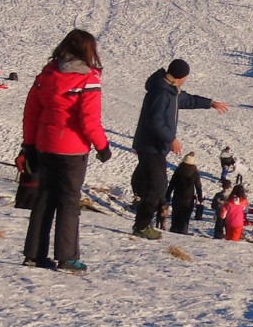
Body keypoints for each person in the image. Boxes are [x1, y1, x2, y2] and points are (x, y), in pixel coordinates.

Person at [19, 30, 112, 272]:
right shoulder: (88, 79)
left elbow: (31, 112)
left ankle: (34, 254)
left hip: (45, 145)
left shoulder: (47, 74)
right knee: (69, 202)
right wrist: (102, 146)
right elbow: (89, 120)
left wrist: (28, 144)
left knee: (44, 199)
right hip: (72, 150)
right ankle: (68, 257)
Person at [130, 59, 228, 239]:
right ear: (181, 76)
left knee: (155, 185)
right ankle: (142, 225)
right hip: (151, 146)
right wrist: (172, 139)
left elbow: (188, 100)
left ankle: (141, 222)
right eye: (186, 77)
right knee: (158, 186)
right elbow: (155, 121)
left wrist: (210, 103)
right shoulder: (161, 92)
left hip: (155, 147)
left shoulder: (170, 91)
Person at [166, 152, 203, 235]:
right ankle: (183, 230)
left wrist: (167, 195)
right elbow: (198, 186)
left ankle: (174, 229)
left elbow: (172, 184)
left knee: (176, 214)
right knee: (186, 215)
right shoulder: (195, 172)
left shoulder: (178, 170)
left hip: (177, 196)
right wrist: (200, 197)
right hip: (189, 198)